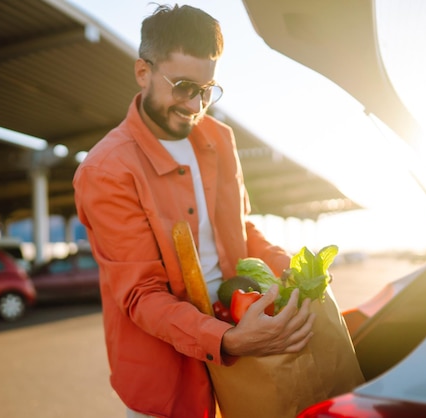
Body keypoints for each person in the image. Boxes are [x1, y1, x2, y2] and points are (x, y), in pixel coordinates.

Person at [73, 4, 315, 418]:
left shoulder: (219, 139)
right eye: (184, 86)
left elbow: (240, 231)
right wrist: (227, 341)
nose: (196, 104)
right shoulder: (105, 170)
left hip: (244, 347)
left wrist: (290, 270)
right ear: (143, 73)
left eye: (207, 89)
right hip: (167, 377)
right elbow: (141, 295)